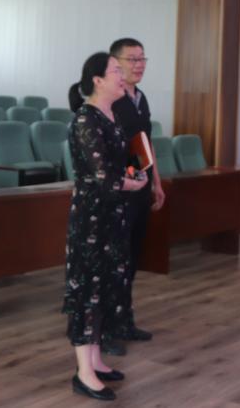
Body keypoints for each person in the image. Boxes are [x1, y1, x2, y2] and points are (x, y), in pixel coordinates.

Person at [64, 52, 149, 401]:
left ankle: (96, 360)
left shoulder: (112, 116)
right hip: (92, 217)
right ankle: (83, 373)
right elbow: (101, 175)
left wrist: (136, 173)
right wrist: (131, 183)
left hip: (113, 214)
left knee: (107, 285)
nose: (122, 75)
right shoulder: (86, 118)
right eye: (116, 70)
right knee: (88, 288)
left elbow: (122, 162)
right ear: (98, 80)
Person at [103, 37, 166, 356]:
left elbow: (145, 143)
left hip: (140, 187)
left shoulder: (140, 98)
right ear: (115, 63)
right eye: (132, 59)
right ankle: (105, 329)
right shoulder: (109, 99)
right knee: (113, 261)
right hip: (118, 191)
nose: (139, 65)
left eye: (142, 59)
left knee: (131, 258)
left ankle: (124, 320)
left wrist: (156, 181)